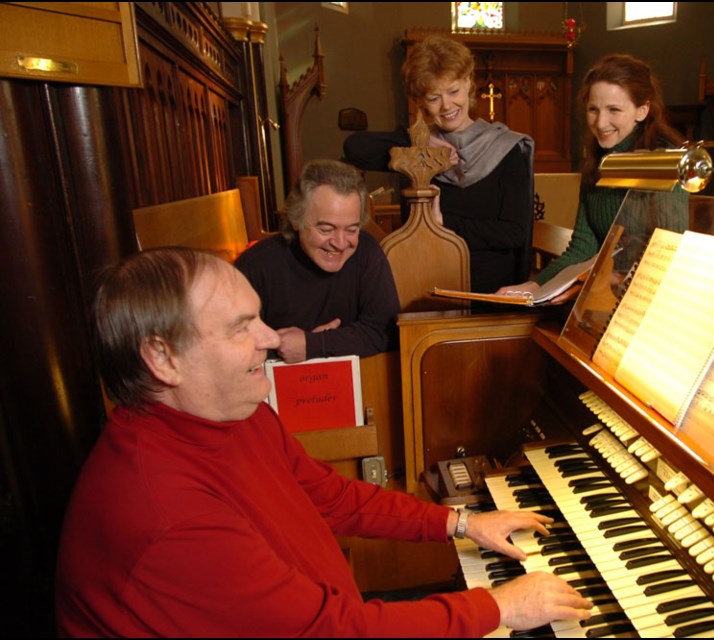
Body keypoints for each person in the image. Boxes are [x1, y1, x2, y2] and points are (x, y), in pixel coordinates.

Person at [55, 246, 593, 637]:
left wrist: (461, 523)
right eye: (243, 327)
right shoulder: (164, 516)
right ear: (163, 358)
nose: (270, 338)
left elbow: (329, 496)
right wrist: (496, 608)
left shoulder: (231, 412)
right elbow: (332, 632)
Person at [343, 35, 534, 294]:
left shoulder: (507, 148)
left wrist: (444, 223)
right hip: (427, 284)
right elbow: (355, 148)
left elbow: (515, 233)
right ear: (421, 101)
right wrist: (422, 144)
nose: (446, 106)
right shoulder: (415, 151)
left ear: (468, 83)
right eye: (434, 97)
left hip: (490, 289)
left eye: (453, 91)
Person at [496, 54, 687, 302]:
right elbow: (582, 247)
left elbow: (667, 256)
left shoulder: (664, 165)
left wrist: (591, 281)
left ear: (642, 110)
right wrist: (535, 285)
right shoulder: (598, 163)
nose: (600, 122)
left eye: (614, 110)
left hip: (652, 299)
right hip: (607, 294)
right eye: (593, 110)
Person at [235, 159, 400, 363]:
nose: (340, 243)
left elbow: (386, 332)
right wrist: (284, 349)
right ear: (297, 220)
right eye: (326, 229)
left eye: (351, 229)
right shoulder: (255, 266)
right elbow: (232, 348)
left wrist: (313, 344)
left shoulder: (367, 251)